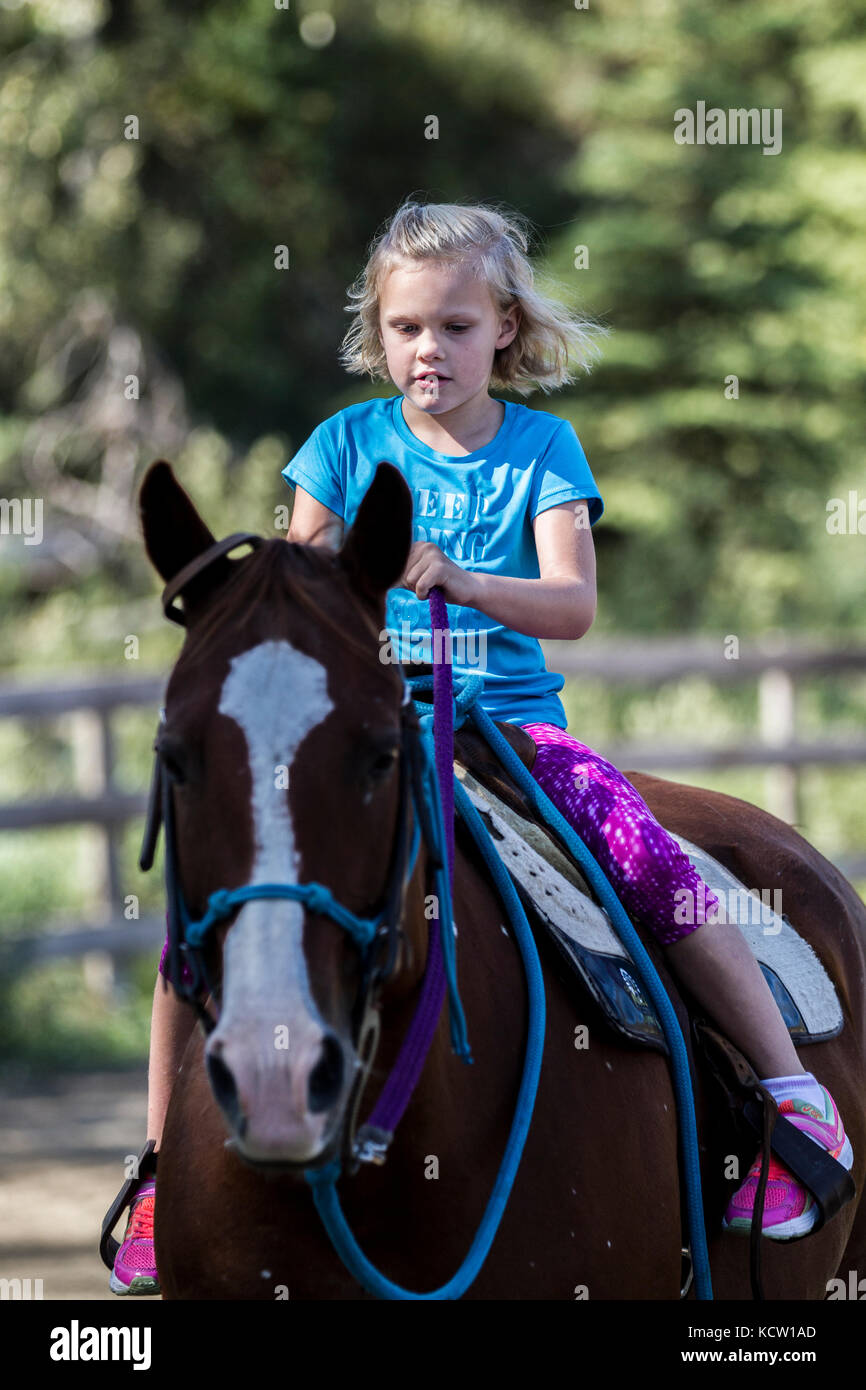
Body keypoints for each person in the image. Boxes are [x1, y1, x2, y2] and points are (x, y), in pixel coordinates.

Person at [111, 198, 851, 1294]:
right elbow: (298, 592)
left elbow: (572, 604)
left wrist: (462, 581)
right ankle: (168, 1158)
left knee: (644, 863)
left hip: (508, 728)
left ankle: (791, 1094)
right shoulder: (342, 446)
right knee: (217, 901)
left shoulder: (542, 448)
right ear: (380, 332)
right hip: (369, 730)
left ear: (503, 327)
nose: (428, 350)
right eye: (406, 327)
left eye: (455, 327)